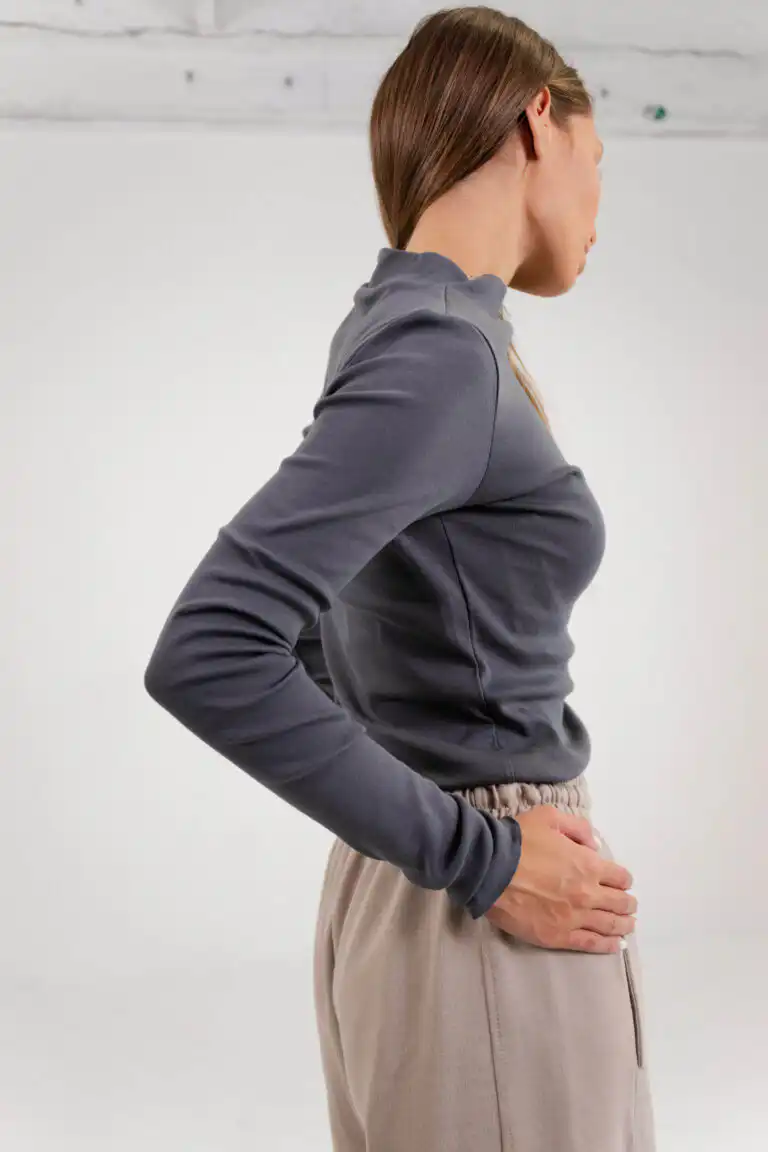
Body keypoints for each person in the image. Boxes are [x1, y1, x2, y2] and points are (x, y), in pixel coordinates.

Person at [143, 7, 656, 1151]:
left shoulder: (406, 326)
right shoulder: (439, 351)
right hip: (488, 930)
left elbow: (333, 627)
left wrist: (442, 828)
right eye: (598, 157)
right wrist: (484, 856)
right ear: (538, 121)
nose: (599, 202)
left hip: (439, 908)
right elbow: (213, 649)